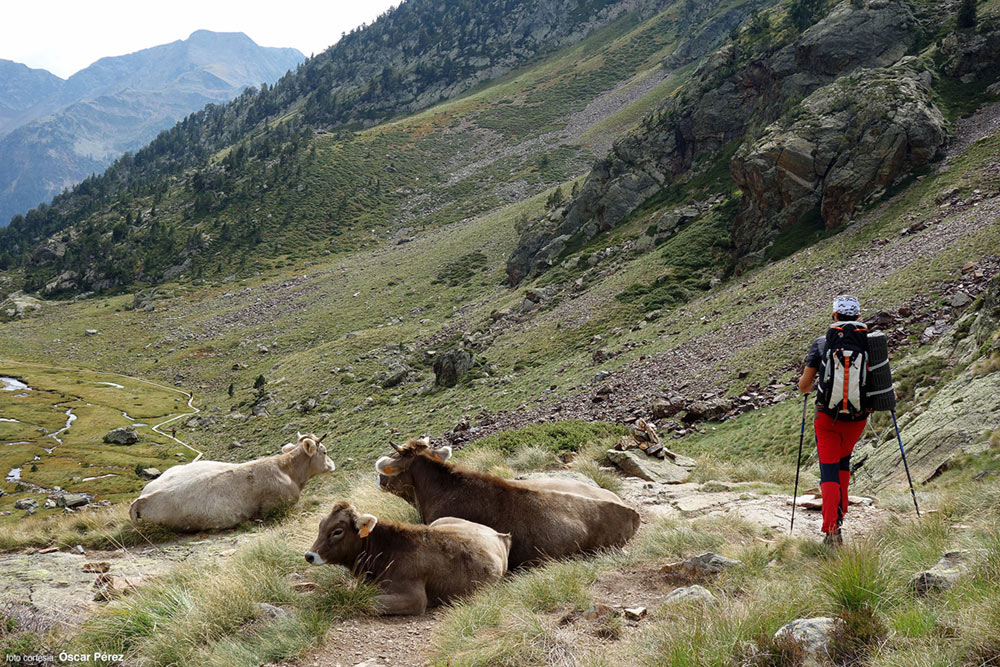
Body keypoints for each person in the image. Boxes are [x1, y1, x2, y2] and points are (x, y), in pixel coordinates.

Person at [798, 295, 868, 547]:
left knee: (828, 470)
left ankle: (831, 530)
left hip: (827, 417)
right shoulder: (871, 342)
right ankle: (841, 514)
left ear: (834, 317)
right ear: (859, 318)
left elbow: (805, 386)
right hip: (858, 418)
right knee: (843, 463)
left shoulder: (821, 343)